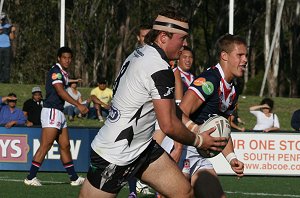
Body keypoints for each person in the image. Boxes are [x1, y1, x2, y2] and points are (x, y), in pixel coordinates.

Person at [79, 7, 226, 198]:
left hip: (142, 147)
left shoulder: (141, 53)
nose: (185, 45)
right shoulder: (159, 68)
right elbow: (168, 125)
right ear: (163, 37)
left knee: (183, 192)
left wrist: (194, 127)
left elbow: (168, 106)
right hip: (117, 153)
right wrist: (199, 140)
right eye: (182, 39)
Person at [179, 34, 246, 197]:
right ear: (224, 56)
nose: (245, 60)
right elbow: (179, 113)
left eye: (246, 56)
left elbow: (223, 126)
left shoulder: (233, 90)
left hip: (197, 151)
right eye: (240, 55)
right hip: (181, 147)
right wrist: (197, 131)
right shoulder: (210, 80)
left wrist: (231, 158)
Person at [24, 46, 89, 186]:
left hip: (58, 112)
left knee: (65, 145)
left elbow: (63, 84)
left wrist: (73, 81)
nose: (67, 60)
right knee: (46, 145)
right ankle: (30, 177)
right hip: (52, 111)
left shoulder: (63, 73)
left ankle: (74, 178)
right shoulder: (56, 71)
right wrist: (78, 105)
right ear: (59, 58)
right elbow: (60, 91)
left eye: (69, 58)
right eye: (64, 57)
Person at [0, 12, 16, 83]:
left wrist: (12, 31)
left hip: (7, 47)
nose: (1, 21)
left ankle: (6, 80)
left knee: (6, 65)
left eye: (2, 19)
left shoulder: (8, 26)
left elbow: (12, 38)